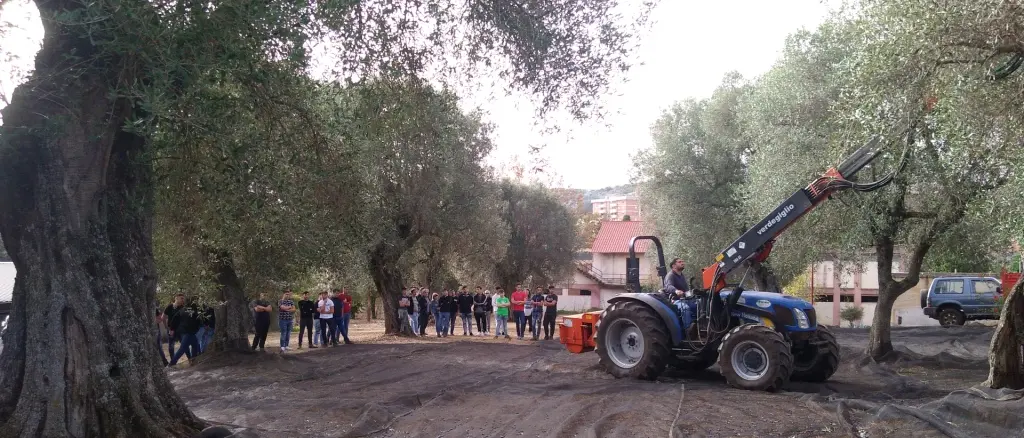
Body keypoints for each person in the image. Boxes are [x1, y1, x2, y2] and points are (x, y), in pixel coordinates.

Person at [170, 297, 202, 365]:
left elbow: (174, 319)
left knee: (195, 345)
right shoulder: (194, 311)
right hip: (188, 332)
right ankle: (171, 364)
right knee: (182, 349)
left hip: (185, 332)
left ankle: (193, 361)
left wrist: (172, 329)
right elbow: (198, 321)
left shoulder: (182, 310)